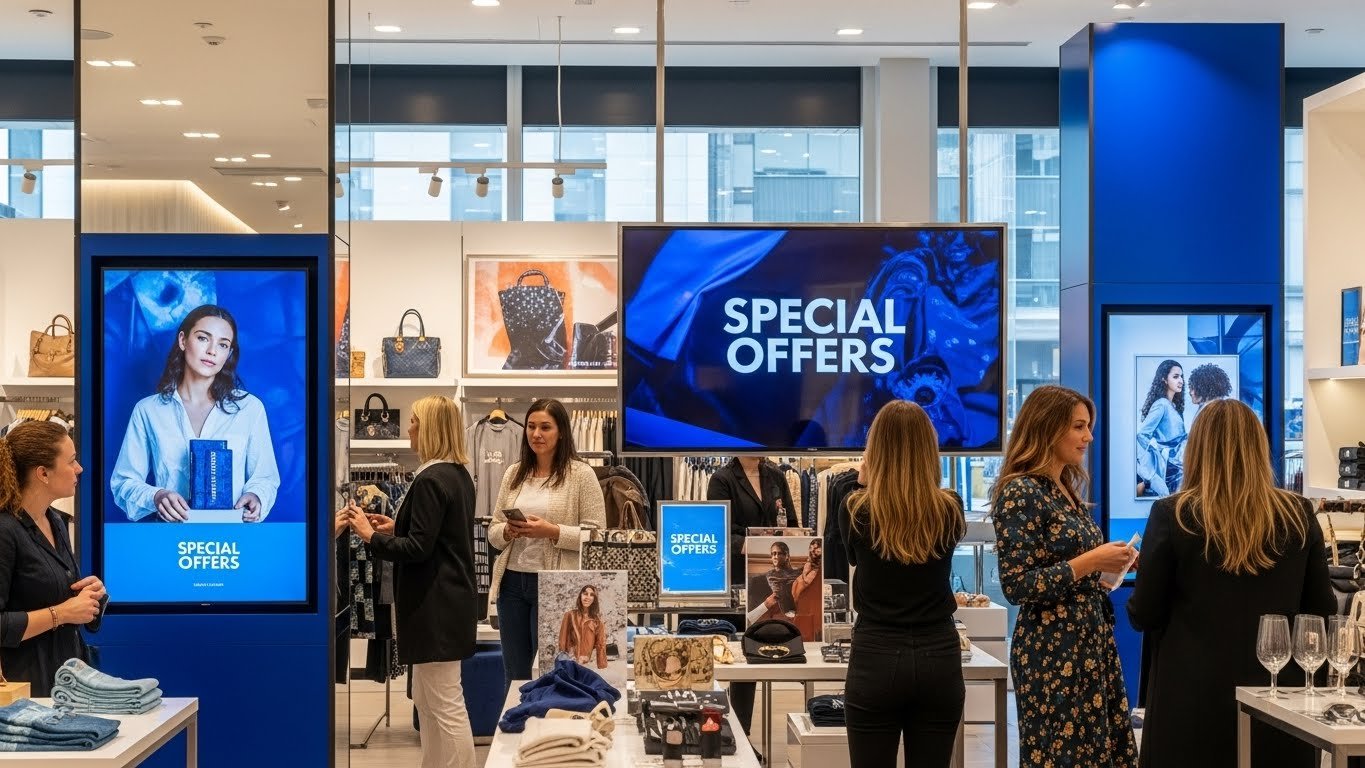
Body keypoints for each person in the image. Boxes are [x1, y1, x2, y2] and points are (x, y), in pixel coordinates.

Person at [1127, 398, 1334, 768]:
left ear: (1197, 450)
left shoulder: (1173, 514)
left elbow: (1144, 613)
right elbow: (1321, 611)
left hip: (1190, 700)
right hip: (1278, 701)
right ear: (1259, 448)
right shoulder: (1298, 514)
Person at [992, 385, 1138, 768]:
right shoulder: (1020, 492)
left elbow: (1073, 566)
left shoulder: (1064, 488)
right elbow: (1017, 584)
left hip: (1089, 642)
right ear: (1047, 428)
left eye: (1088, 426)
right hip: (1051, 651)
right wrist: (1091, 562)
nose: (1088, 437)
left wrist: (1112, 564)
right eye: (1078, 426)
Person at [343, 395, 478, 768]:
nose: (409, 429)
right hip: (443, 603)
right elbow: (434, 537)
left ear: (431, 428)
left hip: (435, 607)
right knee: (429, 700)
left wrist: (371, 536)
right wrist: (394, 527)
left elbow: (418, 548)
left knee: (445, 704)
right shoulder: (455, 475)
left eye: (415, 422)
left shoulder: (432, 478)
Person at [837, 399, 967, 768]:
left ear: (874, 450)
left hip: (876, 653)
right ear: (930, 450)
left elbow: (851, 558)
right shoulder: (950, 508)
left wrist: (864, 476)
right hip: (939, 654)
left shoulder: (855, 509)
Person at [111, 304, 280, 522]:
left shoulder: (250, 408)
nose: (212, 351)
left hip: (233, 542)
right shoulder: (148, 410)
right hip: (171, 541)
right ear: (183, 340)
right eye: (203, 338)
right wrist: (157, 495)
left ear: (228, 354)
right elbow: (123, 482)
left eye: (223, 344)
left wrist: (256, 496)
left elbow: (265, 477)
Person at [488, 398, 607, 694]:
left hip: (554, 584)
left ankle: (554, 730)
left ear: (561, 432)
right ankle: (517, 731)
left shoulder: (581, 475)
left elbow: (597, 536)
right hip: (512, 583)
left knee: (555, 670)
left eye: (545, 427)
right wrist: (509, 530)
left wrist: (552, 531)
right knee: (514, 673)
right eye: (531, 426)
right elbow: (492, 532)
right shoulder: (513, 473)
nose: (536, 434)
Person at [0, 422, 108, 697]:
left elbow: (63, 599)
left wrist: (90, 597)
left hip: (67, 686)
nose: (79, 469)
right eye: (71, 461)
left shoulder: (56, 522)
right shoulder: (5, 530)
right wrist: (62, 613)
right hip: (24, 694)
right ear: (43, 473)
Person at [706, 455, 796, 754]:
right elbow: (719, 530)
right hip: (736, 580)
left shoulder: (777, 476)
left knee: (756, 652)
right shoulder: (722, 478)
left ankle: (741, 737)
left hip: (771, 577)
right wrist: (748, 543)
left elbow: (792, 524)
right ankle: (729, 737)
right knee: (736, 656)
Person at [1136, 359, 1186, 497]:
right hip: (1171, 469)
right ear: (1164, 379)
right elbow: (1142, 434)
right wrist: (1161, 453)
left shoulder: (1175, 407)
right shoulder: (1161, 404)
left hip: (1180, 465)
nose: (1180, 380)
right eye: (1175, 377)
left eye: (1181, 376)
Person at [557, 585, 608, 670]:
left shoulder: (597, 621)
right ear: (580, 595)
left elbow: (601, 644)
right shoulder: (570, 615)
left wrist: (601, 664)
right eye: (585, 594)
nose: (588, 597)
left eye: (591, 595)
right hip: (570, 661)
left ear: (594, 599)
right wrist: (565, 659)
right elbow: (562, 639)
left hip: (587, 663)